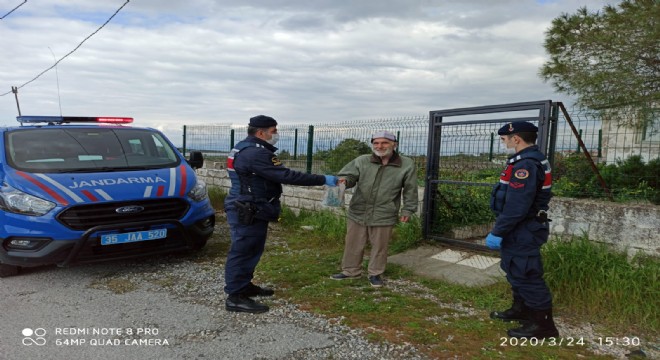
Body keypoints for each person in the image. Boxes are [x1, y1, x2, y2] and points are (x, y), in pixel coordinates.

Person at [224, 115, 338, 313]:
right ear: (261, 133)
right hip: (249, 207)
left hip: (249, 205)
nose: (276, 134)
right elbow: (285, 175)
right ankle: (235, 296)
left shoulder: (243, 147)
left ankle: (244, 285)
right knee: (243, 251)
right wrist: (322, 179)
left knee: (251, 248)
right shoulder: (255, 153)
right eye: (273, 130)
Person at [486, 121, 558, 339]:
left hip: (523, 228)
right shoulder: (526, 160)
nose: (504, 143)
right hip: (519, 228)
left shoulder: (526, 165)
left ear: (515, 139)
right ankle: (522, 310)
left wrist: (498, 231)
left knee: (526, 274)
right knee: (515, 270)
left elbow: (517, 206)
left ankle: (543, 326)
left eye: (504, 139)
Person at [331, 130, 418, 287]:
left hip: (384, 212)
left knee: (380, 246)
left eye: (384, 142)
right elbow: (349, 176)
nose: (380, 146)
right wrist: (344, 181)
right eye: (376, 143)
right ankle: (351, 271)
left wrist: (408, 210)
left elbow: (410, 189)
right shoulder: (362, 160)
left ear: (394, 145)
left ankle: (375, 274)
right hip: (358, 210)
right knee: (353, 243)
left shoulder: (406, 164)